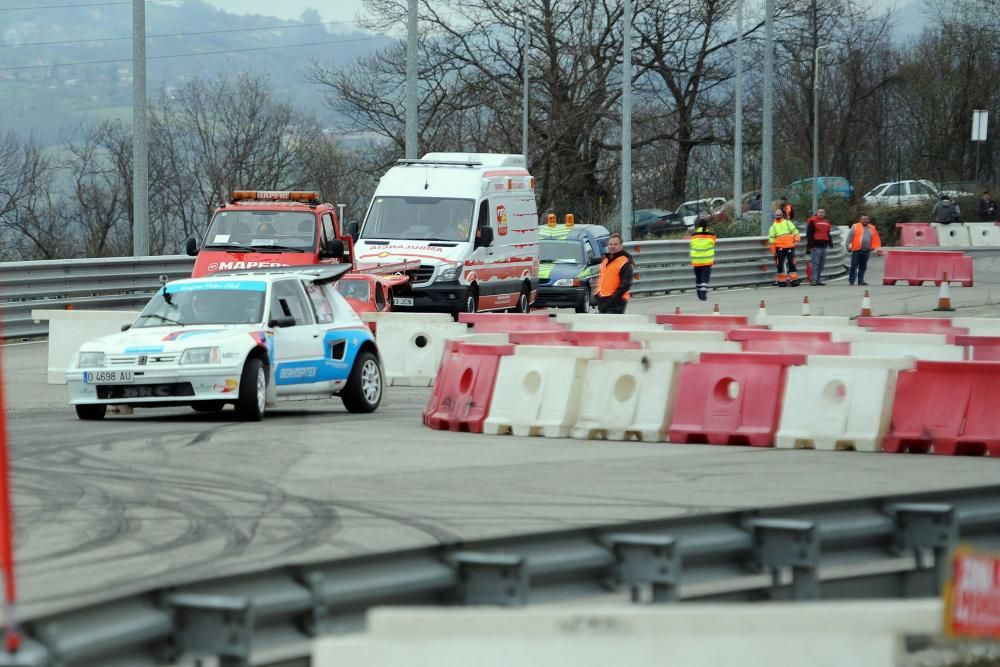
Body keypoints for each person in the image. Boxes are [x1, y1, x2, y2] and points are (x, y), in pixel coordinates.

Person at [596, 232, 633, 313]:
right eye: (611, 244)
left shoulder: (625, 262)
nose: (612, 246)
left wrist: (613, 298)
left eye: (615, 244)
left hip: (617, 302)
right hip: (604, 300)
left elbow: (625, 285)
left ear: (621, 246)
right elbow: (603, 279)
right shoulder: (605, 260)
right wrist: (597, 296)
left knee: (610, 324)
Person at [768, 208, 801, 287]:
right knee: (779, 265)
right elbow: (771, 240)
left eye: (779, 214)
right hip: (779, 248)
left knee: (792, 263)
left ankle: (794, 280)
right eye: (777, 215)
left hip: (790, 246)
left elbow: (796, 232)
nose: (778, 216)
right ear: (775, 216)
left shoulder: (788, 223)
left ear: (782, 215)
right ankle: (782, 281)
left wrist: (796, 240)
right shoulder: (773, 227)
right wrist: (773, 250)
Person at [846, 215, 881, 286]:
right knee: (854, 266)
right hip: (856, 250)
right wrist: (848, 246)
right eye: (863, 219)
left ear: (868, 220)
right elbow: (849, 238)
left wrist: (874, 246)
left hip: (866, 251)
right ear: (860, 220)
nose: (865, 221)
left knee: (863, 267)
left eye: (866, 219)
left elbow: (875, 239)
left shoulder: (872, 228)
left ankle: (860, 281)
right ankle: (852, 281)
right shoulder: (855, 226)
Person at [689, 213, 716, 301]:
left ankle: (699, 293)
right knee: (705, 277)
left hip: (696, 260)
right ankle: (703, 293)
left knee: (698, 277)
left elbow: (691, 245)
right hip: (707, 260)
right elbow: (713, 243)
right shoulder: (712, 235)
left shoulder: (693, 236)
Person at [805, 208, 833, 286]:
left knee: (822, 265)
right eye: (819, 212)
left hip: (824, 246)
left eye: (822, 212)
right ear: (817, 213)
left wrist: (830, 243)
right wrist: (810, 246)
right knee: (815, 264)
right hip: (816, 247)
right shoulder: (812, 221)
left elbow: (828, 233)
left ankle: (818, 280)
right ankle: (814, 280)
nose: (821, 214)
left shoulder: (827, 222)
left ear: (824, 213)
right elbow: (809, 234)